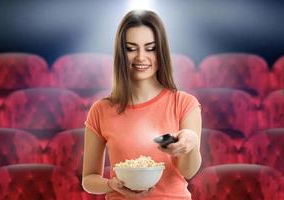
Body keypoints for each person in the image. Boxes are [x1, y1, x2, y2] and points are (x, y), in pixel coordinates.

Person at [82, 9, 202, 200]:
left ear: (160, 51)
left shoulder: (185, 103)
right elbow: (88, 179)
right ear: (121, 53)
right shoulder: (100, 110)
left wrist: (191, 143)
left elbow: (188, 172)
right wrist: (111, 185)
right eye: (131, 48)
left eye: (150, 48)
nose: (140, 57)